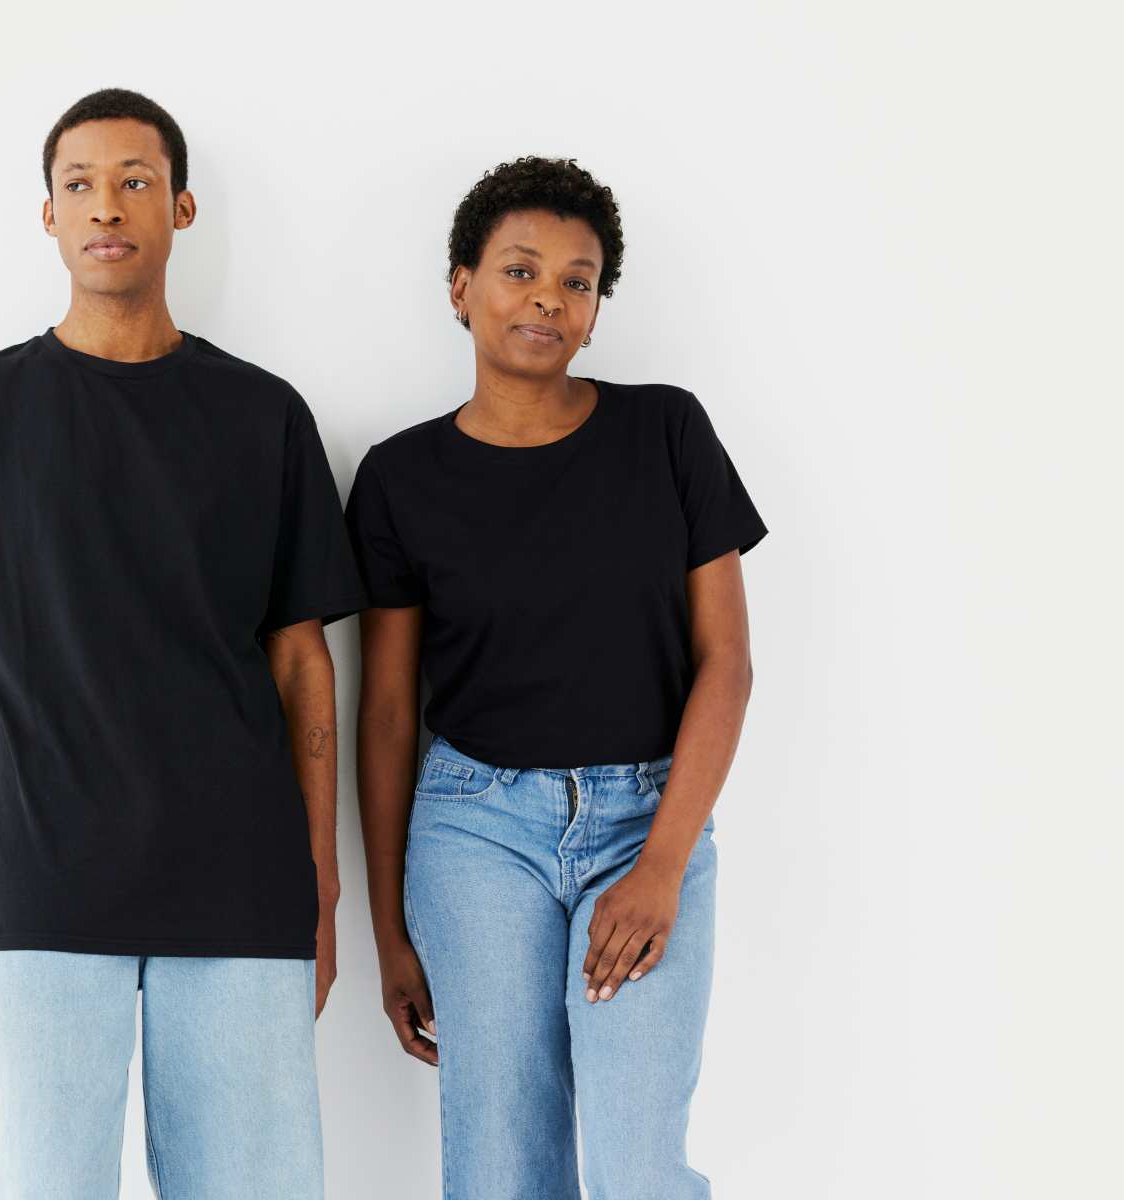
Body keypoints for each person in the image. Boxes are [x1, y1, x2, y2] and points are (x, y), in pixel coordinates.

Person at [0, 87, 366, 1200]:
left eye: (136, 180)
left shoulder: (264, 416)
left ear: (180, 208)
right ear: (48, 214)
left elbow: (302, 663)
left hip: (240, 885)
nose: (107, 205)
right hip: (43, 881)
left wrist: (321, 890)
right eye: (80, 183)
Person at [345, 155, 768, 1199]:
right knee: (501, 1165)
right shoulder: (399, 478)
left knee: (637, 1165)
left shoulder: (665, 430)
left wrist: (662, 863)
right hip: (475, 832)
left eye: (577, 281)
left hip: (648, 819)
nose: (548, 297)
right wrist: (390, 931)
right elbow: (388, 714)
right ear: (461, 287)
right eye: (520, 270)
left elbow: (726, 664)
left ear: (595, 311)